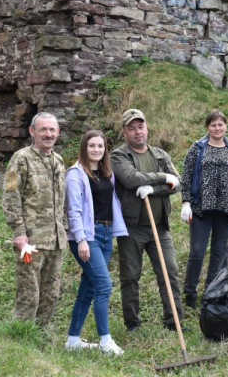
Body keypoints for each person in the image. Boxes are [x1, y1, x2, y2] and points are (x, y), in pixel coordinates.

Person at [111, 108, 185, 332]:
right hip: (132, 229)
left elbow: (178, 183)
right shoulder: (119, 155)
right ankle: (132, 323)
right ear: (124, 131)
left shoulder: (161, 155)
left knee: (169, 272)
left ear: (146, 127)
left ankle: (174, 322)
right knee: (131, 276)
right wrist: (163, 178)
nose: (137, 132)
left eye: (140, 126)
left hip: (160, 229)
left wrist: (151, 190)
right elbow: (132, 179)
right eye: (131, 128)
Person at [64, 130, 128, 354]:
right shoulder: (75, 174)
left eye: (100, 146)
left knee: (89, 287)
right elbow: (74, 210)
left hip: (105, 234)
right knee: (103, 285)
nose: (96, 150)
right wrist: (81, 239)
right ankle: (105, 341)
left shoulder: (105, 173)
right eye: (92, 146)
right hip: (86, 237)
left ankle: (73, 340)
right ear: (84, 147)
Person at [2, 112, 67, 326]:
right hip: (31, 240)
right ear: (32, 132)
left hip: (55, 240)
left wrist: (65, 230)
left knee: (51, 294)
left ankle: (40, 335)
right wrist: (18, 232)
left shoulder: (58, 161)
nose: (48, 134)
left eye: (52, 130)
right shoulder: (20, 159)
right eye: (43, 130)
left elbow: (62, 201)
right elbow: (11, 194)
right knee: (29, 294)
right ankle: (21, 337)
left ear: (57, 132)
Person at [180, 110, 228, 308]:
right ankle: (189, 293)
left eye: (221, 124)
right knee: (197, 252)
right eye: (213, 125)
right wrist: (185, 202)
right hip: (201, 207)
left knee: (218, 252)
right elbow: (187, 174)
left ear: (226, 126)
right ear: (207, 127)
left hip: (225, 208)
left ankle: (211, 291)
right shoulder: (198, 148)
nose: (217, 128)